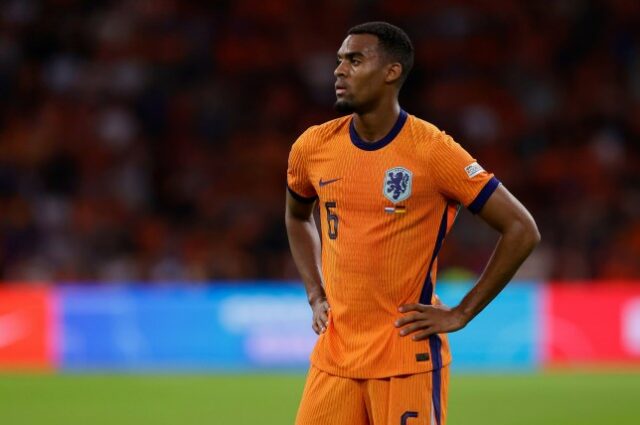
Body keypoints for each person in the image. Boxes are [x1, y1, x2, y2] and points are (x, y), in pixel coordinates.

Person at [285, 21, 540, 425]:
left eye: (354, 60)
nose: (338, 70)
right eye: (338, 61)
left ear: (391, 72)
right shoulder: (312, 147)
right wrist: (316, 294)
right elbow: (297, 215)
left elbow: (522, 228)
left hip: (407, 356)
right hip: (334, 358)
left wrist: (462, 313)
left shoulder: (433, 151)